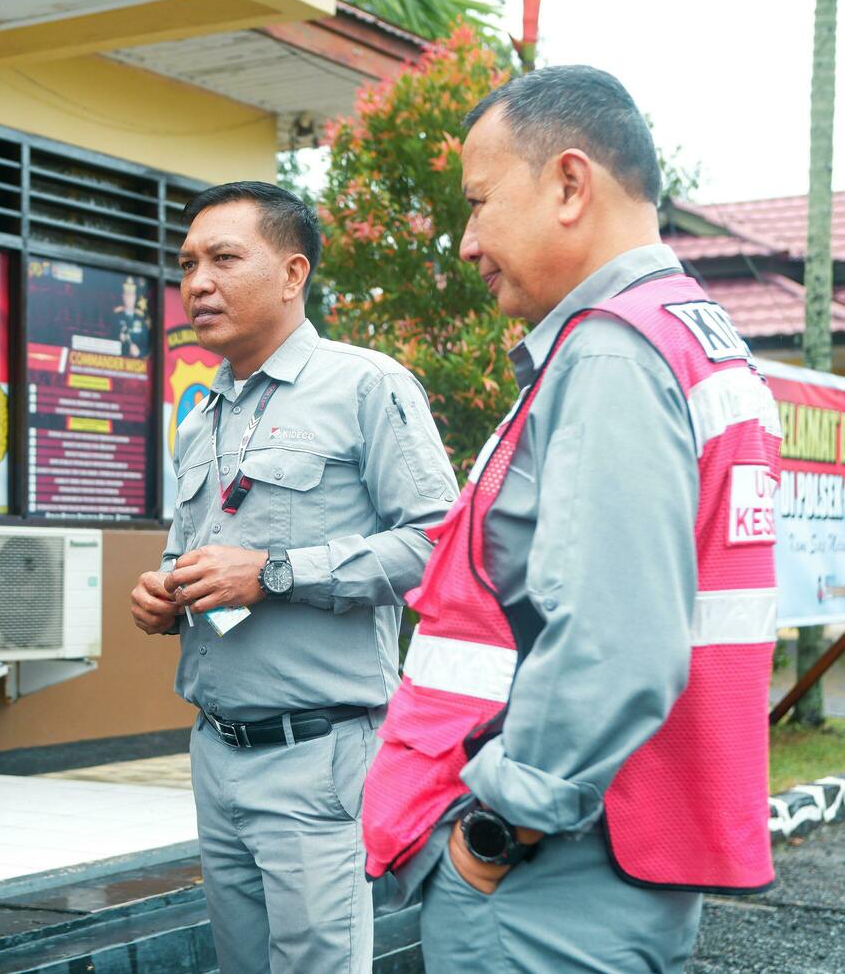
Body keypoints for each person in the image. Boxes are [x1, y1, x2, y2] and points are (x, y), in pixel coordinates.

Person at [361, 66, 780, 972]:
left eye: (478, 203)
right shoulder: (691, 336)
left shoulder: (612, 356)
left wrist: (493, 835)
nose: (467, 242)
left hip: (547, 872)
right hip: (613, 849)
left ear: (569, 184)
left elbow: (613, 636)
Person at [131, 181, 457, 973]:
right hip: (216, 748)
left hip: (319, 755)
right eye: (187, 264)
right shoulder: (202, 412)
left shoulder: (365, 386)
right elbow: (199, 557)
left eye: (224, 259)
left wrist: (273, 573)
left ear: (292, 272)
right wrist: (165, 594)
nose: (198, 282)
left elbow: (440, 548)